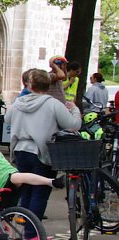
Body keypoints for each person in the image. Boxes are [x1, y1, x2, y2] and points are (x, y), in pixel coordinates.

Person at [7, 69, 82, 221]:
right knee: (40, 192)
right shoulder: (53, 104)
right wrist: (75, 110)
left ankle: (24, 222)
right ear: (47, 85)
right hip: (42, 151)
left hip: (21, 150)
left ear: (29, 86)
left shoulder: (18, 103)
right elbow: (73, 125)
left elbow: (8, 119)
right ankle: (33, 233)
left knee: (26, 188)